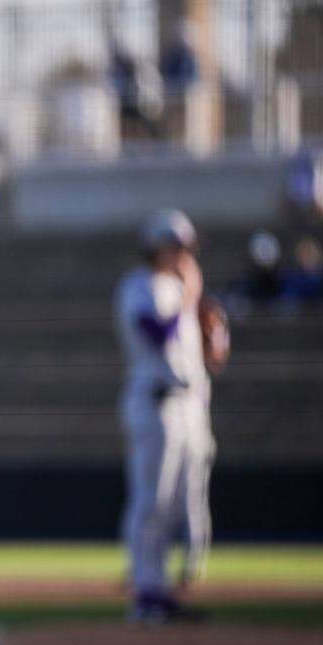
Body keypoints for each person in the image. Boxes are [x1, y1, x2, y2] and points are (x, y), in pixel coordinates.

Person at [115, 209, 225, 623]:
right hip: (154, 402)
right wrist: (188, 299)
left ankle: (158, 589)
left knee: (178, 502)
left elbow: (207, 356)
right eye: (177, 246)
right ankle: (145, 591)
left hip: (187, 406)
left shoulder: (182, 290)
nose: (183, 254)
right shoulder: (140, 286)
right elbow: (155, 334)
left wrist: (211, 331)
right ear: (156, 245)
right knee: (152, 500)